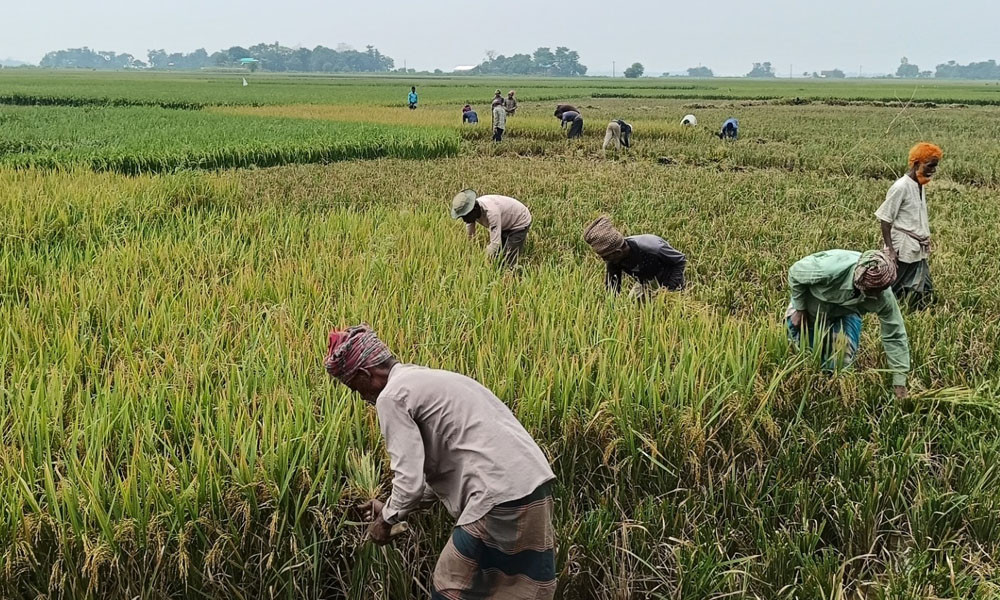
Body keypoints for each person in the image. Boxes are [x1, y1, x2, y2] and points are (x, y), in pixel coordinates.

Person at [324, 325, 556, 600]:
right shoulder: (425, 378)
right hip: (532, 485)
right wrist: (389, 507)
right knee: (518, 590)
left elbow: (408, 482)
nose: (362, 397)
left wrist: (386, 521)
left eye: (355, 387)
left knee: (451, 588)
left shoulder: (391, 397)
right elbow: (443, 469)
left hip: (495, 494)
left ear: (366, 374)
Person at [786, 249, 911, 399]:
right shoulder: (828, 269)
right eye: (870, 291)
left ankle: (833, 399)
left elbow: (895, 335)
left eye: (878, 291)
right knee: (802, 360)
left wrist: (899, 382)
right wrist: (800, 309)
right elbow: (795, 273)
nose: (875, 295)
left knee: (841, 367)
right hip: (810, 310)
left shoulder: (884, 296)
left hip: (845, 315)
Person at [875, 142, 942, 308]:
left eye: (935, 166)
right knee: (893, 284)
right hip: (903, 245)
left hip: (917, 246)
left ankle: (920, 309)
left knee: (924, 287)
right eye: (930, 166)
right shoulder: (901, 187)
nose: (933, 170)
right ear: (917, 164)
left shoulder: (919, 184)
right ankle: (882, 309)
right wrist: (890, 249)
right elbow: (885, 219)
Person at [583, 215, 686, 300]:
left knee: (669, 309)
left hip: (668, 277)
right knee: (632, 304)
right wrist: (611, 308)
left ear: (618, 252)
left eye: (605, 257)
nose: (604, 260)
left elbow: (680, 260)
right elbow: (612, 287)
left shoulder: (654, 248)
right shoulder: (614, 259)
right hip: (645, 280)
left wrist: (669, 290)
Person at [451, 189, 532, 264]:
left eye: (465, 216)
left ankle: (511, 271)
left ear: (474, 209)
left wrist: (480, 258)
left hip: (520, 220)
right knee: (498, 254)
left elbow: (495, 243)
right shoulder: (472, 213)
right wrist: (470, 250)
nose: (464, 220)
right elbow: (471, 235)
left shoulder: (492, 213)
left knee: (509, 256)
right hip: (504, 221)